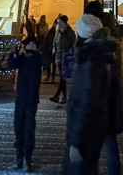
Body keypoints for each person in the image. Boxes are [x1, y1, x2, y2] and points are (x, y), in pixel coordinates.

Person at [63, 14, 117, 175]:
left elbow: (87, 103)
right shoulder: (96, 56)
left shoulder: (90, 59)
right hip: (93, 129)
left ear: (81, 34)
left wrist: (76, 141)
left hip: (86, 133)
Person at [91, 25, 123, 175]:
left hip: (99, 109)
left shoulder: (97, 57)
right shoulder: (114, 52)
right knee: (111, 147)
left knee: (93, 149)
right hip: (111, 105)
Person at [8, 37, 44, 172]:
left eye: (34, 44)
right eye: (30, 44)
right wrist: (13, 54)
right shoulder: (22, 57)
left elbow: (46, 61)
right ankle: (19, 157)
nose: (32, 46)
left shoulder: (38, 57)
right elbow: (12, 64)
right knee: (18, 126)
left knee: (29, 128)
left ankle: (27, 158)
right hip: (21, 97)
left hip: (31, 98)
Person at [50, 15, 76, 104]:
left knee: (62, 77)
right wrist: (54, 50)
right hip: (58, 56)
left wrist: (69, 51)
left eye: (60, 22)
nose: (58, 24)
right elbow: (54, 41)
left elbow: (72, 42)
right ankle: (60, 96)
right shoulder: (58, 31)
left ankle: (59, 95)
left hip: (66, 57)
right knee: (62, 77)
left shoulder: (69, 32)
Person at [42, 17, 58, 83]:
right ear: (54, 24)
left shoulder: (57, 31)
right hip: (49, 50)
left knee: (54, 64)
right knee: (49, 64)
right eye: (56, 24)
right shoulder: (51, 31)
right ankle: (48, 76)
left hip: (54, 50)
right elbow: (49, 41)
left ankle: (52, 77)